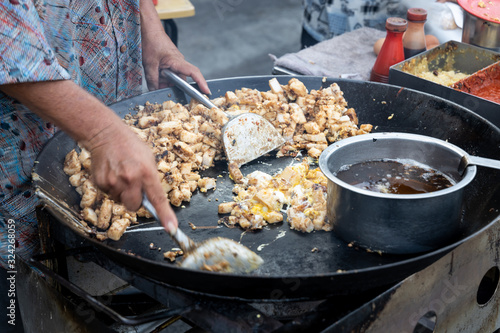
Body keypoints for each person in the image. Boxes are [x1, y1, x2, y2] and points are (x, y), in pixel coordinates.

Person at [0, 1, 209, 329]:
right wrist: (101, 132)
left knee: (112, 294)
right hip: (17, 168)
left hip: (109, 112)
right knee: (19, 305)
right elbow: (8, 46)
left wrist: (153, 33)